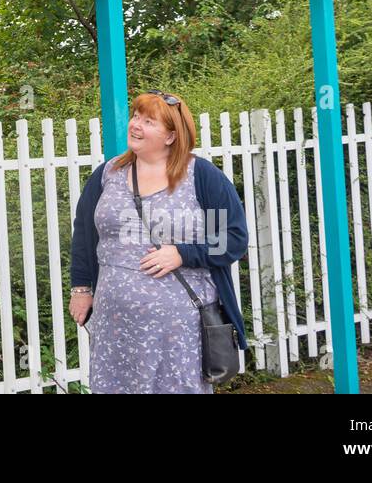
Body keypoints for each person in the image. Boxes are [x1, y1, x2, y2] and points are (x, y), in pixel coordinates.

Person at [68, 89, 249, 392]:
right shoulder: (108, 174)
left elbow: (231, 239)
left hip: (177, 329)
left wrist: (182, 254)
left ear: (170, 136)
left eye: (149, 121)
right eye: (136, 116)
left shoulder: (201, 176)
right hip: (115, 324)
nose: (136, 125)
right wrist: (81, 289)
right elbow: (85, 235)